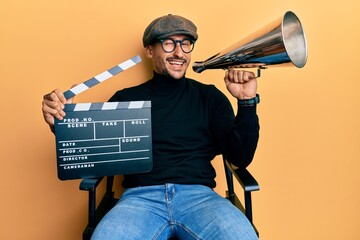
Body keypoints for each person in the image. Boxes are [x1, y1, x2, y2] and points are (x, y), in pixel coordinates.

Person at [42, 14, 260, 240]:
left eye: (185, 44)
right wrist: (62, 122)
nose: (179, 52)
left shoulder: (210, 97)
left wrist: (246, 103)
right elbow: (95, 158)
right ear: (149, 50)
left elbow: (240, 157)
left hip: (200, 198)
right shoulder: (124, 99)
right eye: (168, 43)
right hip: (139, 200)